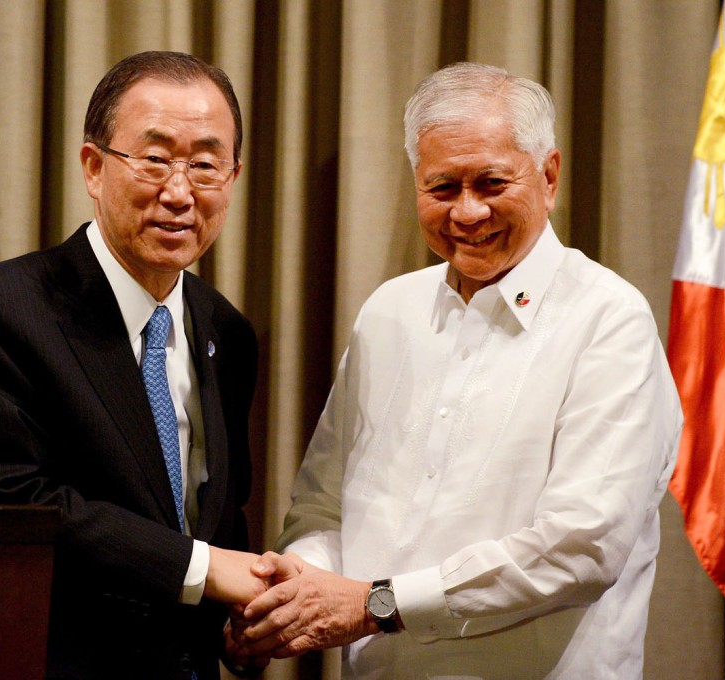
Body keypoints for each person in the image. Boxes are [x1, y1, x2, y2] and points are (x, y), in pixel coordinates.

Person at [231, 62, 683, 678]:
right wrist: (289, 596)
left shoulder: (609, 320)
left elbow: (581, 548)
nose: (467, 214)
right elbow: (322, 511)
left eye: (491, 183)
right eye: (442, 188)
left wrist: (374, 605)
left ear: (549, 176)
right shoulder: (387, 313)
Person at [0, 51, 269, 679]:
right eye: (156, 159)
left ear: (233, 176)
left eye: (204, 165)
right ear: (94, 167)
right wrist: (204, 570)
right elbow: (14, 504)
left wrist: (233, 626)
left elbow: (216, 511)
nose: (179, 192)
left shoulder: (227, 330)